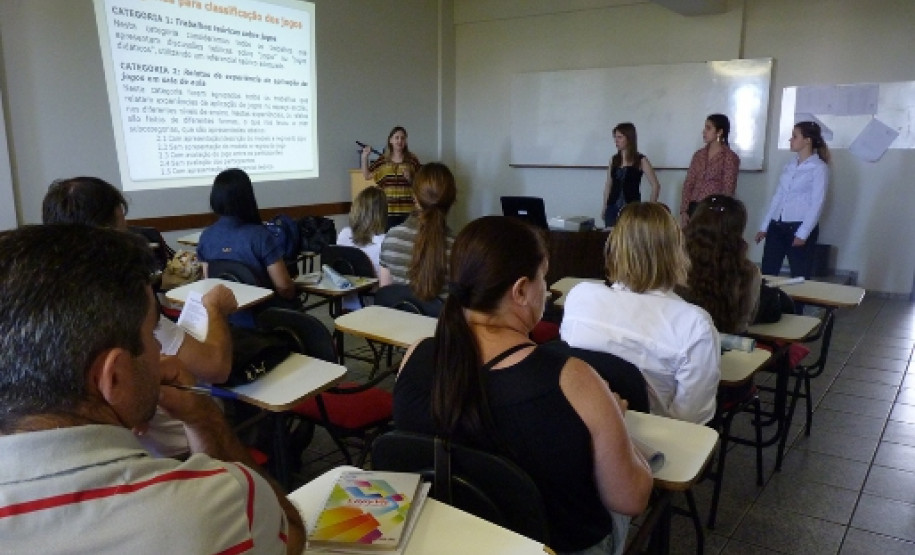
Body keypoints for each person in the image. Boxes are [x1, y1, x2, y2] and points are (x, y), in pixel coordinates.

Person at [0, 225, 304, 553]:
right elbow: (292, 537)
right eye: (152, 337)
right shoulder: (219, 505)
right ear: (113, 378)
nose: (161, 353)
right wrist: (205, 419)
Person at [393, 216, 653, 555]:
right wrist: (620, 432)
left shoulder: (416, 357)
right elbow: (630, 498)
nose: (546, 289)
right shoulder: (574, 380)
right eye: (543, 278)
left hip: (448, 538)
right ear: (520, 291)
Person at [42, 176, 237, 456]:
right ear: (108, 233)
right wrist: (215, 309)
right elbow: (216, 367)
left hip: (104, 447)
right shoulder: (124, 295)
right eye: (123, 224)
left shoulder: (43, 305)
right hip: (176, 448)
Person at [561, 202, 720, 425]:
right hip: (651, 447)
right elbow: (691, 420)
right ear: (676, 252)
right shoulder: (694, 324)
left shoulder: (580, 297)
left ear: (614, 247)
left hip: (577, 427)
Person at [197, 168, 298, 327]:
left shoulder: (206, 237)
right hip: (264, 318)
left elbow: (209, 281)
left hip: (224, 319)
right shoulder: (260, 236)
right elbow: (283, 287)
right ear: (247, 198)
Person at [755, 121, 830, 279]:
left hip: (798, 226)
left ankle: (797, 305)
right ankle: (768, 304)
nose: (791, 140)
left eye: (795, 136)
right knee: (768, 273)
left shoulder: (818, 167)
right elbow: (778, 196)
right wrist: (765, 226)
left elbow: (817, 203)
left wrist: (803, 233)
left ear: (807, 140)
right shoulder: (789, 165)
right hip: (777, 225)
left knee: (800, 276)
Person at [681, 194, 761, 334]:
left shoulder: (674, 263)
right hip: (729, 346)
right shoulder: (749, 271)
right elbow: (748, 318)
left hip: (678, 344)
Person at [379, 162, 456, 301]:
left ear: (415, 197)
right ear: (452, 200)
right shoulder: (458, 247)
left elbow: (385, 295)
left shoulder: (392, 237)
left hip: (397, 321)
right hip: (438, 322)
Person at [679, 113, 741, 226]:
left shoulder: (729, 157)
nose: (704, 132)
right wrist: (684, 210)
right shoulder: (699, 155)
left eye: (708, 128)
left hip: (713, 211)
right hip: (693, 207)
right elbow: (689, 183)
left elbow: (728, 189)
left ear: (719, 132)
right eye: (705, 128)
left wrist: (721, 215)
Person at [337, 185, 388, 311]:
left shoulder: (344, 234)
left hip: (346, 305)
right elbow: (386, 288)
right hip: (373, 307)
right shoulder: (384, 242)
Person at [601, 122, 661, 228]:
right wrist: (605, 207)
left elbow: (655, 185)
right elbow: (608, 185)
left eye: (620, 137)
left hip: (632, 208)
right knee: (611, 239)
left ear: (629, 138)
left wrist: (651, 208)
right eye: (615, 137)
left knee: (630, 239)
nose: (616, 140)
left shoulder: (641, 160)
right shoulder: (614, 160)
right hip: (612, 207)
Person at [361, 126, 422, 229]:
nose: (399, 141)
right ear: (390, 140)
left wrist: (411, 178)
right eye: (396, 137)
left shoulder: (412, 159)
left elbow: (421, 182)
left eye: (402, 138)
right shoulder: (383, 159)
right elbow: (367, 175)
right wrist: (364, 157)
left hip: (408, 211)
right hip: (387, 210)